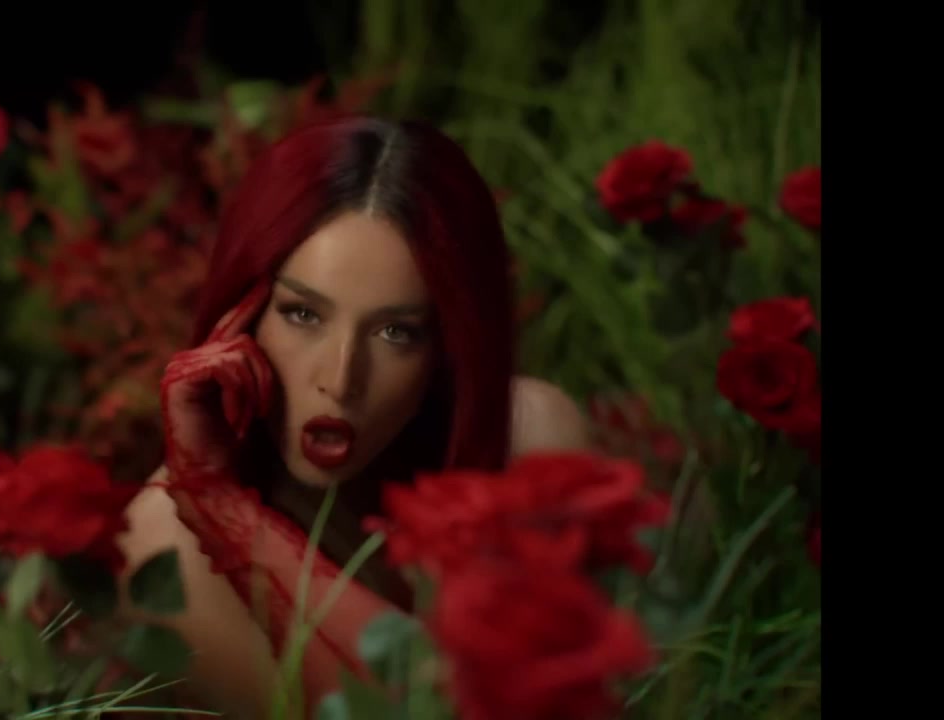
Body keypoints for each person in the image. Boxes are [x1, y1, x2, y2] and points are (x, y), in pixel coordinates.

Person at [116, 116, 590, 719]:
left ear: (449, 345)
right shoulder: (164, 544)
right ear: (239, 317)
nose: (340, 381)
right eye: (302, 314)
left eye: (397, 332)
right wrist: (220, 511)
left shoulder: (529, 437)